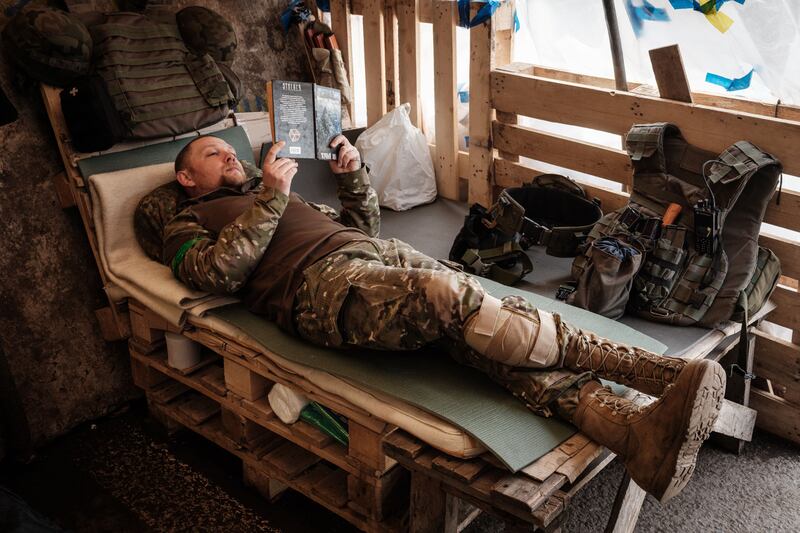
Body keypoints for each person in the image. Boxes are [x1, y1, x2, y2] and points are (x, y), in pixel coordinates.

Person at [135, 134, 726, 504]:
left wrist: (352, 178)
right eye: (215, 154)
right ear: (187, 179)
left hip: (367, 256)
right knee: (451, 299)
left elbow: (361, 229)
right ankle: (654, 371)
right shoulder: (189, 224)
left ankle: (635, 437)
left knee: (488, 332)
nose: (231, 155)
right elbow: (218, 275)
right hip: (318, 289)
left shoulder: (270, 198)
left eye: (230, 149)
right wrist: (267, 196)